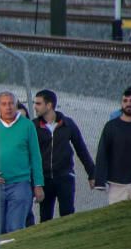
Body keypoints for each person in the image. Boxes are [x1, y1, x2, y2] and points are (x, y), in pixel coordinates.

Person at [32, 89, 96, 221]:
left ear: (49, 105)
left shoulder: (68, 124)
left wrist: (92, 174)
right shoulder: (34, 126)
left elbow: (81, 149)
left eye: (38, 103)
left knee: (67, 215)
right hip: (44, 179)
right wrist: (35, 182)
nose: (35, 107)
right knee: (45, 217)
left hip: (65, 176)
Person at [0, 91, 44, 234]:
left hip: (20, 184)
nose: (8, 107)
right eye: (4, 104)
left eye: (11, 103)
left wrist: (38, 185)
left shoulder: (27, 126)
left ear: (16, 105)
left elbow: (35, 156)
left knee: (15, 228)